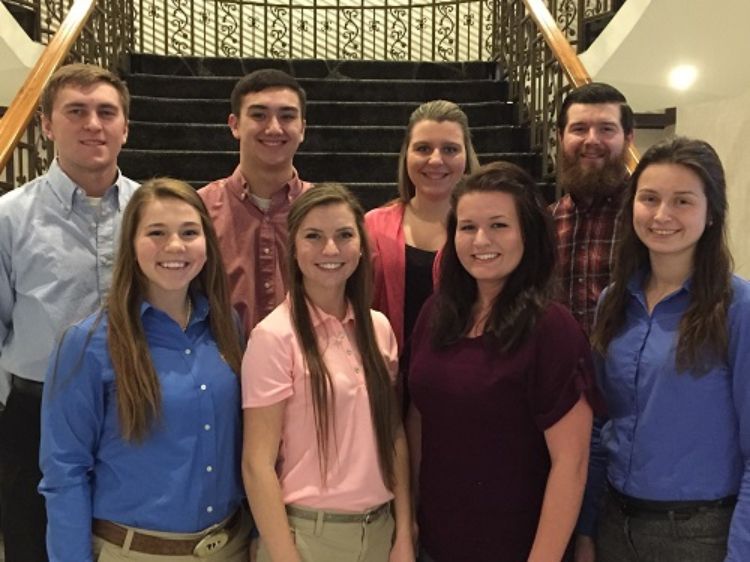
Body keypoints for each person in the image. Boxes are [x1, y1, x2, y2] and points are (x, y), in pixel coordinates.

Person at [39, 178, 251, 561]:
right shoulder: (86, 345)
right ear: (131, 245)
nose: (175, 246)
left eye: (189, 232)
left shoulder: (227, 328)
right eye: (156, 232)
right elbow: (64, 472)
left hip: (229, 547)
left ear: (207, 243)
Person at [408, 162, 601, 562]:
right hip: (436, 541)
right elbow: (419, 416)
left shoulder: (552, 328)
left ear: (527, 233)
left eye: (498, 225)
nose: (481, 240)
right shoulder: (436, 314)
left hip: (518, 545)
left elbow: (572, 463)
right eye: (467, 227)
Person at [576, 137, 750, 562]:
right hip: (615, 524)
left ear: (712, 213)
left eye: (683, 201)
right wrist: (585, 529)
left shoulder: (737, 308)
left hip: (700, 536)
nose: (661, 215)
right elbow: (600, 426)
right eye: (649, 198)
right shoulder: (614, 301)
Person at [0, 62, 138, 562]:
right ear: (46, 125)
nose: (93, 125)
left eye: (106, 112)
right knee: (35, 548)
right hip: (34, 418)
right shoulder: (9, 218)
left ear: (125, 125)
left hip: (132, 413)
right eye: (75, 111)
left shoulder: (152, 214)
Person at [242, 183, 414, 562]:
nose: (331, 250)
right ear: (294, 246)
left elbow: (394, 435)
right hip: (309, 537)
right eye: (314, 237)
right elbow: (257, 464)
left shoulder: (378, 328)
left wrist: (404, 533)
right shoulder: (274, 337)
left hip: (380, 531)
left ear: (361, 245)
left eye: (344, 235)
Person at [199, 69, 312, 337]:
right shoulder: (198, 210)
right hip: (223, 369)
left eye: (287, 116)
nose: (274, 128)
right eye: (259, 115)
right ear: (235, 125)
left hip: (306, 369)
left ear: (302, 129)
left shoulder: (324, 212)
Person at [365, 99, 479, 351]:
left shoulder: (486, 231)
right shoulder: (371, 227)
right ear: (407, 154)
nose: (436, 160)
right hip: (386, 376)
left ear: (466, 157)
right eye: (423, 148)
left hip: (467, 376)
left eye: (450, 149)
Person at [550, 82, 634, 335]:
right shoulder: (545, 221)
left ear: (629, 138)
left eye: (606, 129)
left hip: (631, 371)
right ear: (561, 136)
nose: (592, 140)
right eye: (579, 129)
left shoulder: (650, 219)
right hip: (563, 370)